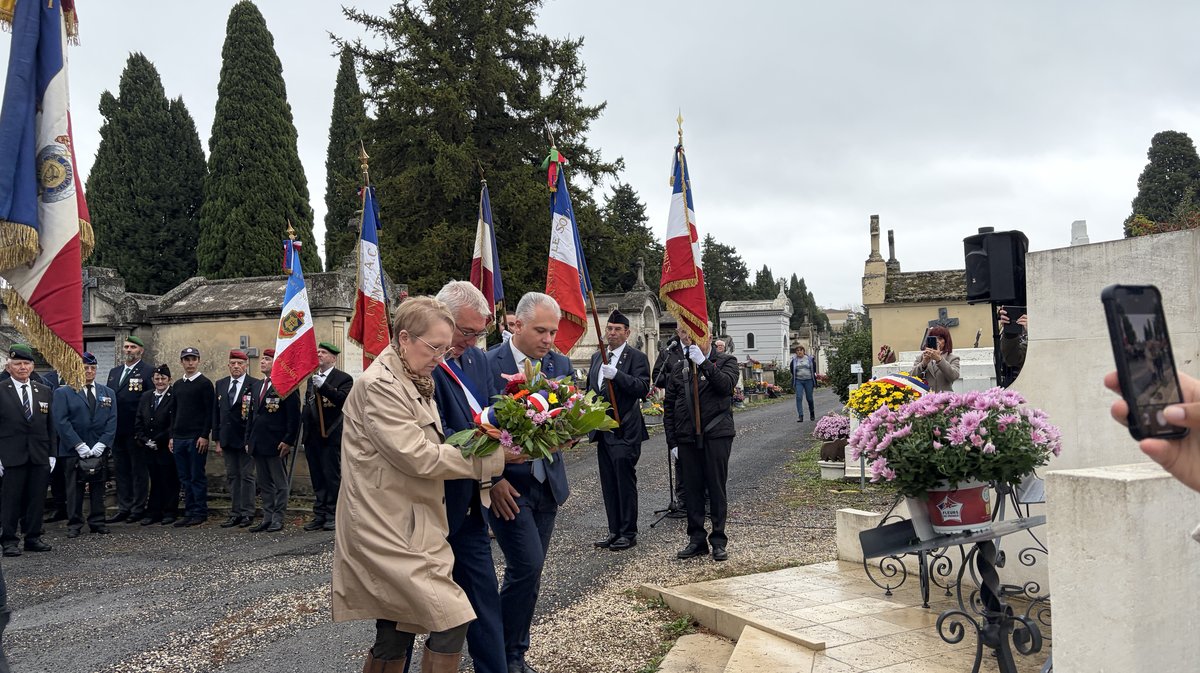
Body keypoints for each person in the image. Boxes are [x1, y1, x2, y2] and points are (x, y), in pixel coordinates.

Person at [332, 296, 519, 673]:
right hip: (385, 525)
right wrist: (496, 458)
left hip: (412, 521)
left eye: (445, 348)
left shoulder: (415, 376)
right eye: (435, 347)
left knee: (398, 628)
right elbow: (418, 455)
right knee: (450, 616)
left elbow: (441, 442)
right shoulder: (379, 386)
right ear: (404, 338)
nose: (441, 356)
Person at [484, 292, 571, 673]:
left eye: (553, 331)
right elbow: (479, 426)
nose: (549, 339)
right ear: (515, 325)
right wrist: (494, 479)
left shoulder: (558, 363)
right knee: (527, 564)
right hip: (509, 488)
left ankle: (512, 651)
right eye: (541, 330)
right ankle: (502, 654)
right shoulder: (487, 364)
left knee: (531, 572)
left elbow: (565, 417)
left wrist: (572, 432)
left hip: (547, 483)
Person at [431, 280, 506, 673]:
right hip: (430, 509)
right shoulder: (425, 362)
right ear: (443, 319)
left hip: (472, 505)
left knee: (483, 600)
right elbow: (435, 435)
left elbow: (492, 415)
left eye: (480, 333)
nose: (474, 342)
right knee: (413, 617)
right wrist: (494, 457)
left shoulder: (476, 359)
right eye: (468, 332)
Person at [663, 329, 740, 562]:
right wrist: (672, 441)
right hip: (686, 437)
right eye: (688, 336)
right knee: (692, 491)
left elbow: (725, 386)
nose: (693, 340)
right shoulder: (679, 368)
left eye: (699, 335)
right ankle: (696, 539)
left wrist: (704, 363)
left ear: (708, 337)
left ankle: (718, 540)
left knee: (716, 489)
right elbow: (669, 407)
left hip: (716, 435)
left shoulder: (727, 361)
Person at [587, 309, 650, 552]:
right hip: (603, 431)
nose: (611, 333)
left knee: (624, 482)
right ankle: (614, 530)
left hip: (625, 430)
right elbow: (591, 389)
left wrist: (618, 376)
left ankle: (628, 532)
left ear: (627, 333)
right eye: (609, 329)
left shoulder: (636, 358)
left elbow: (642, 387)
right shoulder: (596, 358)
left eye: (617, 330)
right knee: (609, 483)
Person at [51, 352, 117, 538]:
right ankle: (74, 523)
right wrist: (78, 444)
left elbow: (112, 421)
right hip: (73, 450)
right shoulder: (63, 392)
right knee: (74, 489)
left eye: (92, 368)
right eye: (85, 368)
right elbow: (61, 421)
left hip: (98, 448)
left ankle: (97, 521)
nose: (89, 371)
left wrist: (102, 444)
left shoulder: (107, 393)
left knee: (98, 487)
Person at [0, 345, 55, 556]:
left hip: (39, 454)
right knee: (11, 500)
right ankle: (9, 540)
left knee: (36, 498)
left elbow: (51, 425)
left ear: (32, 366)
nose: (22, 367)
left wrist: (52, 453)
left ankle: (33, 537)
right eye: (17, 364)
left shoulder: (44, 390)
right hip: (11, 455)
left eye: (26, 363)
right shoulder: (2, 388)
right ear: (9, 366)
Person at [246, 350, 300, 533]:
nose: (262, 362)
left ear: (276, 363)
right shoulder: (257, 386)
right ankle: (267, 517)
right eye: (262, 359)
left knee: (279, 483)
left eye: (267, 359)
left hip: (276, 443)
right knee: (264, 483)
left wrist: (288, 440)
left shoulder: (286, 386)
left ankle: (278, 518)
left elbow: (294, 417)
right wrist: (248, 439)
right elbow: (251, 416)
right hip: (258, 442)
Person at [302, 342, 353, 532]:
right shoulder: (311, 379)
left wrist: (324, 387)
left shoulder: (343, 378)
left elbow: (343, 400)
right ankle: (320, 513)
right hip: (313, 436)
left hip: (330, 435)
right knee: (317, 477)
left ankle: (333, 513)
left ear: (333, 357)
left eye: (323, 353)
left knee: (331, 476)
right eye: (318, 352)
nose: (319, 355)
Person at [105, 336, 155, 523]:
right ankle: (124, 506)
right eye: (126, 347)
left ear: (141, 350)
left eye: (133, 347)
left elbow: (149, 402)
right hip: (117, 430)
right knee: (121, 469)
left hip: (135, 430)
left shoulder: (148, 371)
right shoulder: (114, 372)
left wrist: (143, 431)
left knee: (138, 470)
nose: (128, 350)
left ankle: (138, 507)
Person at [169, 347, 214, 527]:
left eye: (193, 359)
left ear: (198, 361)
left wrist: (204, 435)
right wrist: (172, 435)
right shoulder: (178, 385)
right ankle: (188, 511)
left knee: (196, 476)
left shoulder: (205, 384)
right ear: (181, 362)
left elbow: (209, 412)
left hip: (196, 438)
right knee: (185, 478)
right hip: (179, 437)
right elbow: (174, 412)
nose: (190, 363)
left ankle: (199, 511)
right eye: (186, 359)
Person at [212, 350, 257, 528]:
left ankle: (247, 512)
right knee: (232, 475)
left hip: (245, 438)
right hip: (227, 438)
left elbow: (254, 414)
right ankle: (235, 512)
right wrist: (217, 440)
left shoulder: (253, 384)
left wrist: (250, 439)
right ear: (228, 365)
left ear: (246, 366)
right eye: (233, 363)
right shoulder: (221, 384)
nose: (236, 366)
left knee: (247, 476)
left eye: (240, 363)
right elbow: (217, 413)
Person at [135, 364, 180, 526]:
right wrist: (144, 439)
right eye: (157, 378)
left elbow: (174, 421)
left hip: (166, 445)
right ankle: (153, 512)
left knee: (169, 479)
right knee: (154, 480)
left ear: (169, 380)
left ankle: (169, 511)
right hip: (148, 446)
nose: (160, 381)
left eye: (163, 378)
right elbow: (139, 418)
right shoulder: (147, 396)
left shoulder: (174, 395)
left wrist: (159, 439)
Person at [912, 326, 961, 393]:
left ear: (946, 341)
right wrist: (923, 364)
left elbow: (953, 376)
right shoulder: (921, 357)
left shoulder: (952, 358)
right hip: (925, 398)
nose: (937, 341)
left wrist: (939, 359)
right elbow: (912, 376)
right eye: (934, 339)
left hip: (944, 398)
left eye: (940, 339)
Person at [789, 345, 817, 422]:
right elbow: (792, 370)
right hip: (799, 381)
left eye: (801, 350)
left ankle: (812, 413)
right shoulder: (794, 361)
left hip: (809, 380)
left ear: (804, 351)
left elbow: (814, 369)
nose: (799, 352)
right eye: (797, 351)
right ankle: (800, 416)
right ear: (796, 353)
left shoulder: (809, 359)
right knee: (798, 397)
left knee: (809, 398)